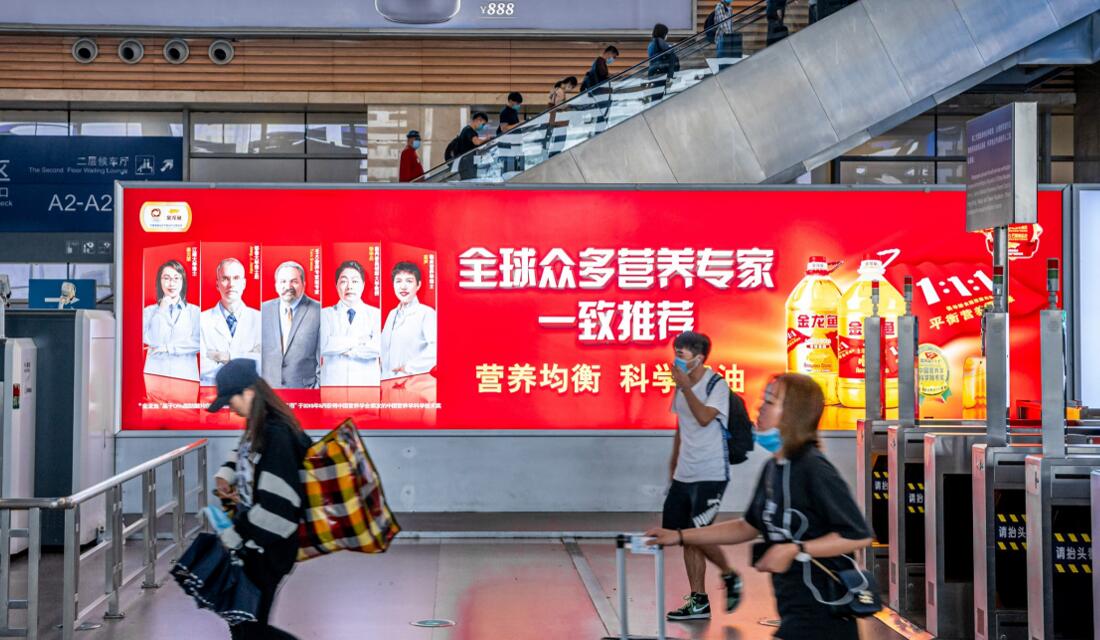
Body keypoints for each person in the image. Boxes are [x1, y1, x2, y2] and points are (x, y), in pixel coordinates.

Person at [647, 373, 873, 639]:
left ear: (793, 414)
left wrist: (795, 549)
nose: (760, 408)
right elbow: (747, 526)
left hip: (824, 615)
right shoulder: (774, 468)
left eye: (770, 402)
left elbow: (857, 535)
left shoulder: (813, 468)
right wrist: (680, 536)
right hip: (793, 610)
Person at [209, 358, 311, 640]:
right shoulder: (260, 427)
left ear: (249, 392)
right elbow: (245, 453)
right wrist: (227, 475)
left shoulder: (276, 435)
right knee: (242, 623)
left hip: (268, 547)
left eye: (231, 400)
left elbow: (277, 507)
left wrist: (236, 535)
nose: (230, 408)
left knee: (250, 629)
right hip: (258, 542)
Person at [659, 331, 740, 621]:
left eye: (681, 354)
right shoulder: (681, 387)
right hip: (686, 471)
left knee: (698, 532)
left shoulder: (717, 384)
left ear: (699, 357)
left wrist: (687, 387)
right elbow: (683, 425)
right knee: (685, 536)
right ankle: (698, 601)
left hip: (711, 471)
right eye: (675, 353)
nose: (676, 360)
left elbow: (705, 417)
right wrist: (674, 463)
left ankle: (729, 574)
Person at [320, 260, 382, 386]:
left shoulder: (376, 314)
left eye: (355, 281)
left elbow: (377, 348)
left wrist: (338, 345)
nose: (349, 286)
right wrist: (359, 340)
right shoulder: (325, 314)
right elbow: (323, 346)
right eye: (343, 281)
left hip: (366, 385)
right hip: (333, 385)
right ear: (336, 285)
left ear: (363, 285)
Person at [200, 258, 261, 385]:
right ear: (217, 284)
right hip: (211, 391)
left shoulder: (260, 320)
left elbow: (263, 363)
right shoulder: (201, 320)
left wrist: (226, 357)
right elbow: (202, 366)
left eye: (236, 278)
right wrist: (247, 357)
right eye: (225, 278)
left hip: (249, 392)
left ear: (244, 283)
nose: (231, 284)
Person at [261, 261, 321, 389]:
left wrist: (315, 391)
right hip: (268, 392)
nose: (288, 286)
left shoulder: (319, 312)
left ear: (303, 284)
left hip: (304, 393)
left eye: (294, 281)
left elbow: (323, 360)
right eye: (283, 281)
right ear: (276, 285)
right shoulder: (262, 311)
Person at [143, 259, 200, 381]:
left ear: (182, 282)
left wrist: (168, 348)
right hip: (155, 374)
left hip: (185, 376)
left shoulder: (195, 312)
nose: (171, 283)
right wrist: (161, 310)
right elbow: (153, 340)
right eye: (166, 278)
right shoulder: (148, 312)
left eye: (176, 278)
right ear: (160, 281)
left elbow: (199, 342)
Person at [380, 261, 437, 380]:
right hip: (387, 382)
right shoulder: (392, 314)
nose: (403, 286)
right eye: (398, 281)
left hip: (413, 382)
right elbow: (383, 349)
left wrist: (409, 367)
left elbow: (436, 350)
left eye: (409, 281)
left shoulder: (426, 313)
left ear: (418, 285)